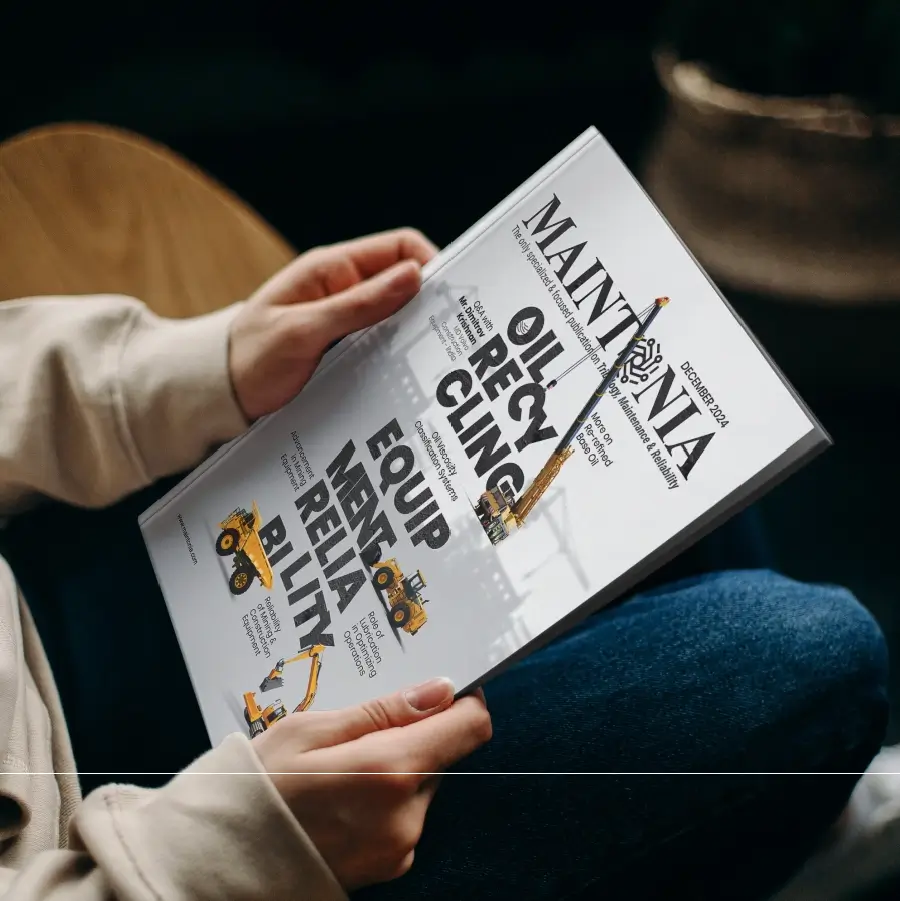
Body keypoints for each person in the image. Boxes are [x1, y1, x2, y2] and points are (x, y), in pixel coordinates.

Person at [0, 228, 889, 901]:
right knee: (812, 657)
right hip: (101, 841)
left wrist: (195, 368)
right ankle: (786, 821)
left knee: (680, 395)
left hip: (48, 556)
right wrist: (218, 860)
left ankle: (788, 813)